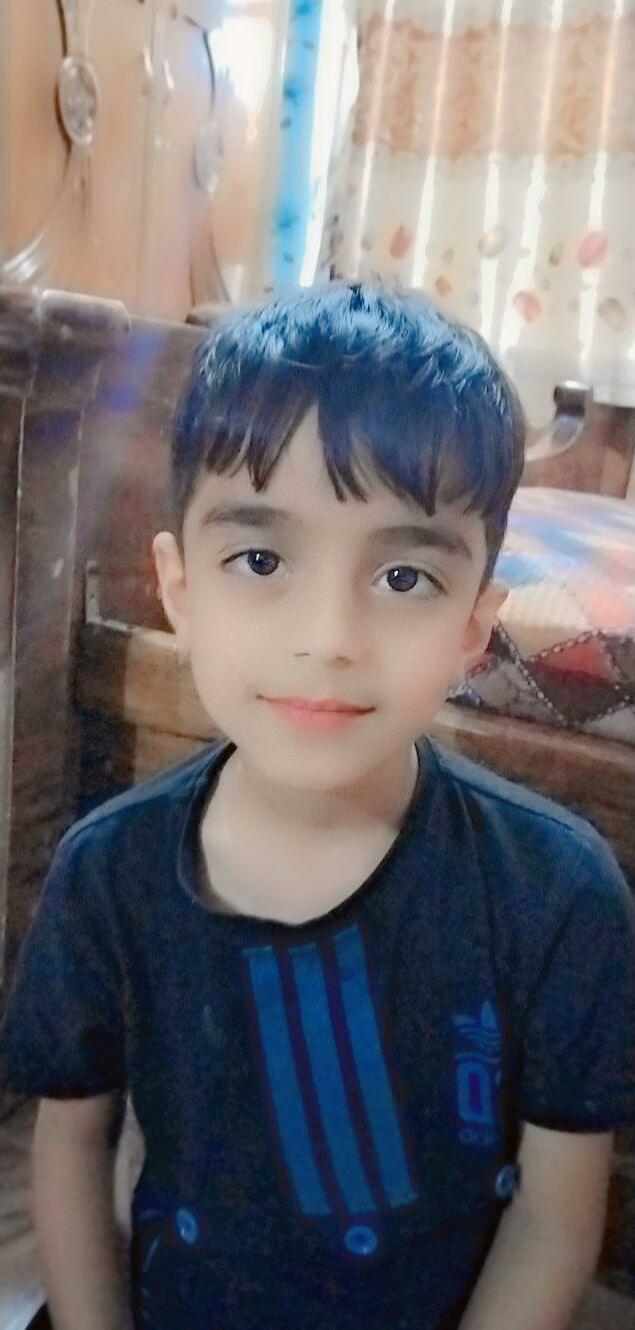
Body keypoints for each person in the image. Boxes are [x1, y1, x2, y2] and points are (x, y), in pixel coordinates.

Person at [2, 282, 635, 1330]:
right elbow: (70, 1142)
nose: (328, 637)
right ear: (178, 588)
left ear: (474, 625)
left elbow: (552, 1219)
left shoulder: (556, 896)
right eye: (260, 559)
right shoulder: (106, 871)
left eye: (403, 577)